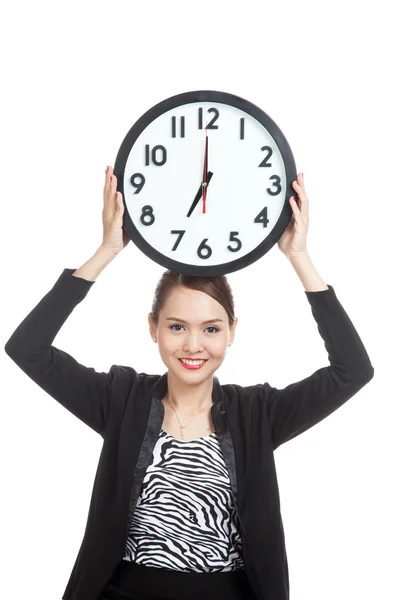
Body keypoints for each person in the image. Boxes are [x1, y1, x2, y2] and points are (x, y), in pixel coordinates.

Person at [4, 166, 374, 600]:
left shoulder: (258, 413)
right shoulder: (119, 400)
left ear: (232, 331)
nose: (193, 345)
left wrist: (299, 256)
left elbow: (353, 369)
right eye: (177, 327)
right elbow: (27, 348)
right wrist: (107, 249)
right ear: (153, 328)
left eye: (211, 329)